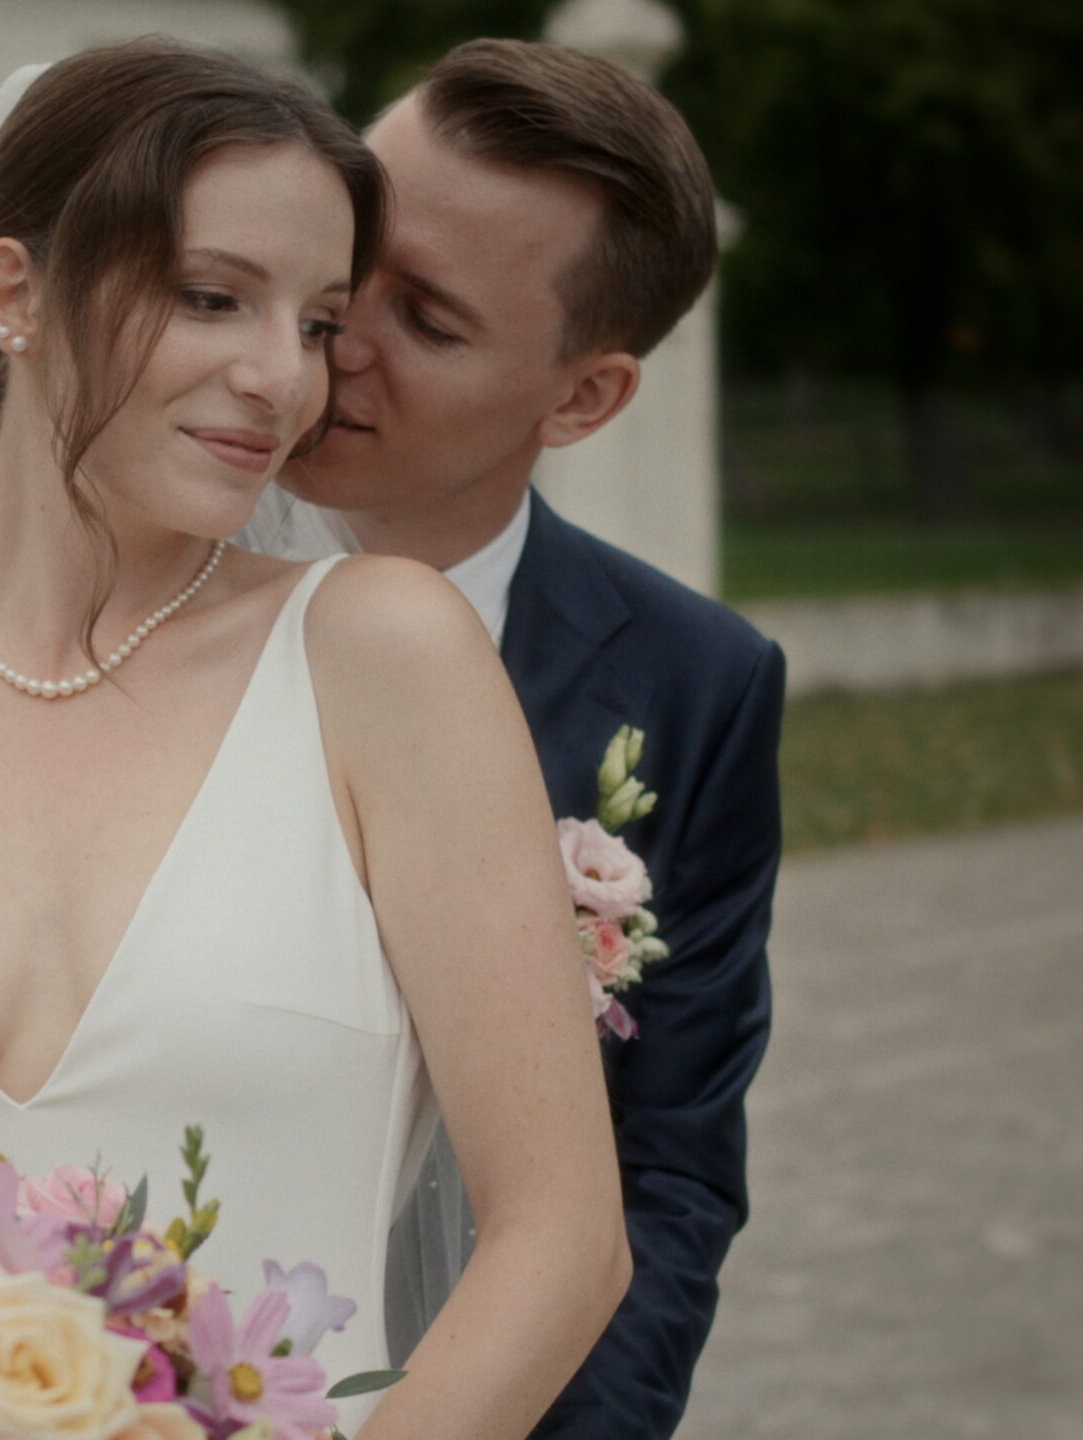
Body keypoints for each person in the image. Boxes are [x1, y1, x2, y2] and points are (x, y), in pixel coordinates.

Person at [0, 39, 629, 1438]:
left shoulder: (383, 659)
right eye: (210, 297)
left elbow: (562, 1240)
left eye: (314, 322)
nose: (279, 379)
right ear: (14, 293)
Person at [278, 38, 788, 1440]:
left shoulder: (698, 685)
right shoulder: (126, 594)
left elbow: (670, 1168)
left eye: (428, 324)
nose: (334, 335)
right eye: (348, 257)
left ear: (582, 399)